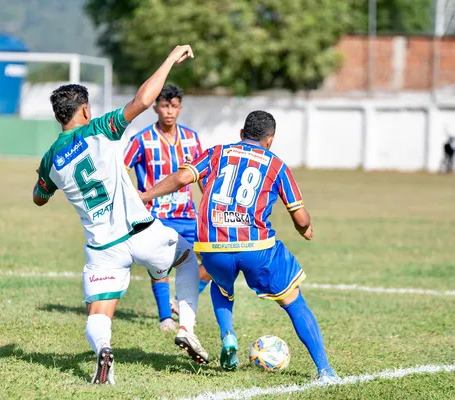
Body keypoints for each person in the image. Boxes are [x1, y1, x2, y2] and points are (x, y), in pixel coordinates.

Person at [32, 45, 209, 385]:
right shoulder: (100, 128)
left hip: (102, 247)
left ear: (59, 117)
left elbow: (39, 197)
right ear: (84, 109)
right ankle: (185, 328)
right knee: (187, 259)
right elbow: (143, 100)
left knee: (98, 313)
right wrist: (170, 59)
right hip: (141, 230)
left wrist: (49, 185)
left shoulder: (50, 159)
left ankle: (104, 350)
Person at [138, 110, 339, 383]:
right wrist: (305, 228)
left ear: (242, 135)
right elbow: (299, 216)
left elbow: (184, 178)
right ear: (270, 140)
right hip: (256, 247)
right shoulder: (276, 165)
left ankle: (228, 335)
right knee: (293, 300)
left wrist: (147, 194)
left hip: (212, 245)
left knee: (222, 285)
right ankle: (325, 370)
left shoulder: (218, 152)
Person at [124, 84, 211, 332]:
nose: (169, 111)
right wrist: (135, 196)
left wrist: (208, 201)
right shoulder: (141, 140)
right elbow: (122, 169)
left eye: (173, 106)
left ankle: (175, 302)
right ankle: (165, 317)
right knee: (159, 264)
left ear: (180, 108)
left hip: (188, 214)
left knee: (214, 262)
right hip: (157, 215)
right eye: (164, 106)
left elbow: (202, 174)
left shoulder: (192, 139)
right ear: (155, 108)